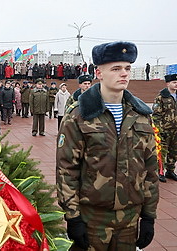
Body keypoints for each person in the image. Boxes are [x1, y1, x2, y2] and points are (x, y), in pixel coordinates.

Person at [56, 41, 159, 250]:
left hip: (130, 220)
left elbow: (150, 169)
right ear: (99, 73)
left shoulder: (141, 115)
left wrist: (149, 215)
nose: (124, 74)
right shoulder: (79, 115)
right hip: (92, 219)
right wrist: (73, 217)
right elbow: (66, 169)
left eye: (127, 68)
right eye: (116, 68)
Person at [152, 73, 177, 182]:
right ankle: (160, 172)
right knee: (162, 151)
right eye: (174, 82)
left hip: (176, 129)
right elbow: (156, 115)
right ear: (168, 84)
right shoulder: (161, 97)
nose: (176, 84)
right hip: (165, 130)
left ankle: (170, 171)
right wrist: (159, 130)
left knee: (174, 151)